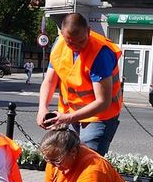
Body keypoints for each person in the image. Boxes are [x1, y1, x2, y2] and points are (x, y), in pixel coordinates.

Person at [37, 13, 123, 156]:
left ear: (88, 31)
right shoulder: (58, 45)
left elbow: (103, 102)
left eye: (81, 41)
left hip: (99, 116)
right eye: (70, 42)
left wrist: (68, 118)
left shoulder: (100, 54)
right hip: (70, 113)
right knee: (64, 158)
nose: (76, 47)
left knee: (88, 161)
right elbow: (50, 81)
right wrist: (42, 109)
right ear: (62, 35)